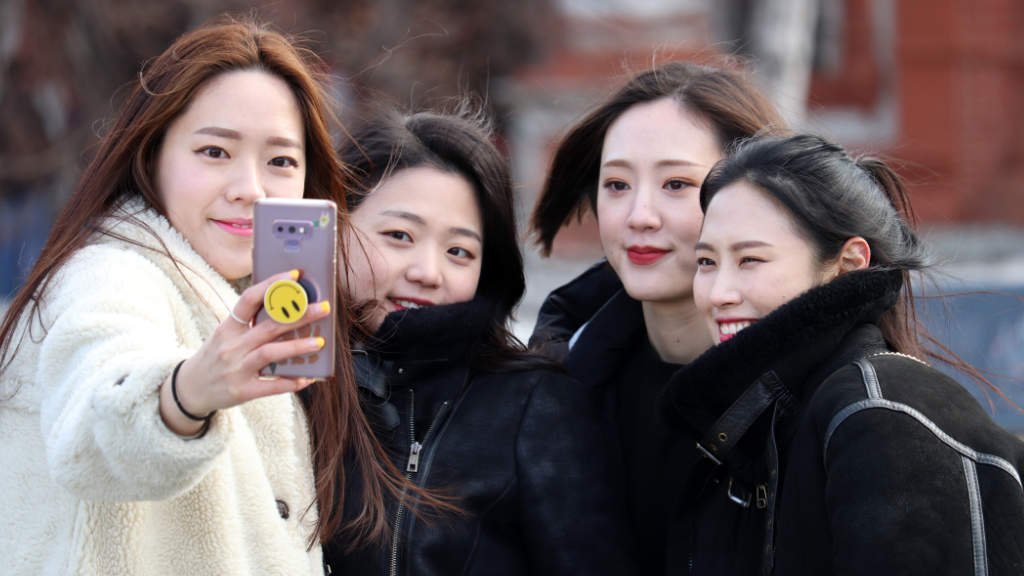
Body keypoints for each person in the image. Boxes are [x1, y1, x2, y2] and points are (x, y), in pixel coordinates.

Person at [0, 18, 377, 575]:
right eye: (215, 151)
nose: (250, 188)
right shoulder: (111, 275)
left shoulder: (268, 296)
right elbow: (97, 419)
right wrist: (184, 394)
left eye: (280, 161)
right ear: (152, 155)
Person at [663, 133, 1024, 575]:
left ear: (849, 264)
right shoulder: (749, 431)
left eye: (750, 260)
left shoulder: (880, 415)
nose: (718, 293)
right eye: (706, 262)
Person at [322, 107, 635, 575]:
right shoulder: (278, 382)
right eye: (399, 235)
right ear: (334, 228)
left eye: (459, 251)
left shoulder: (533, 404)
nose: (428, 272)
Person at [527, 60, 786, 573]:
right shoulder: (553, 388)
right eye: (617, 185)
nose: (639, 216)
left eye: (676, 184)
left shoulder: (811, 394)